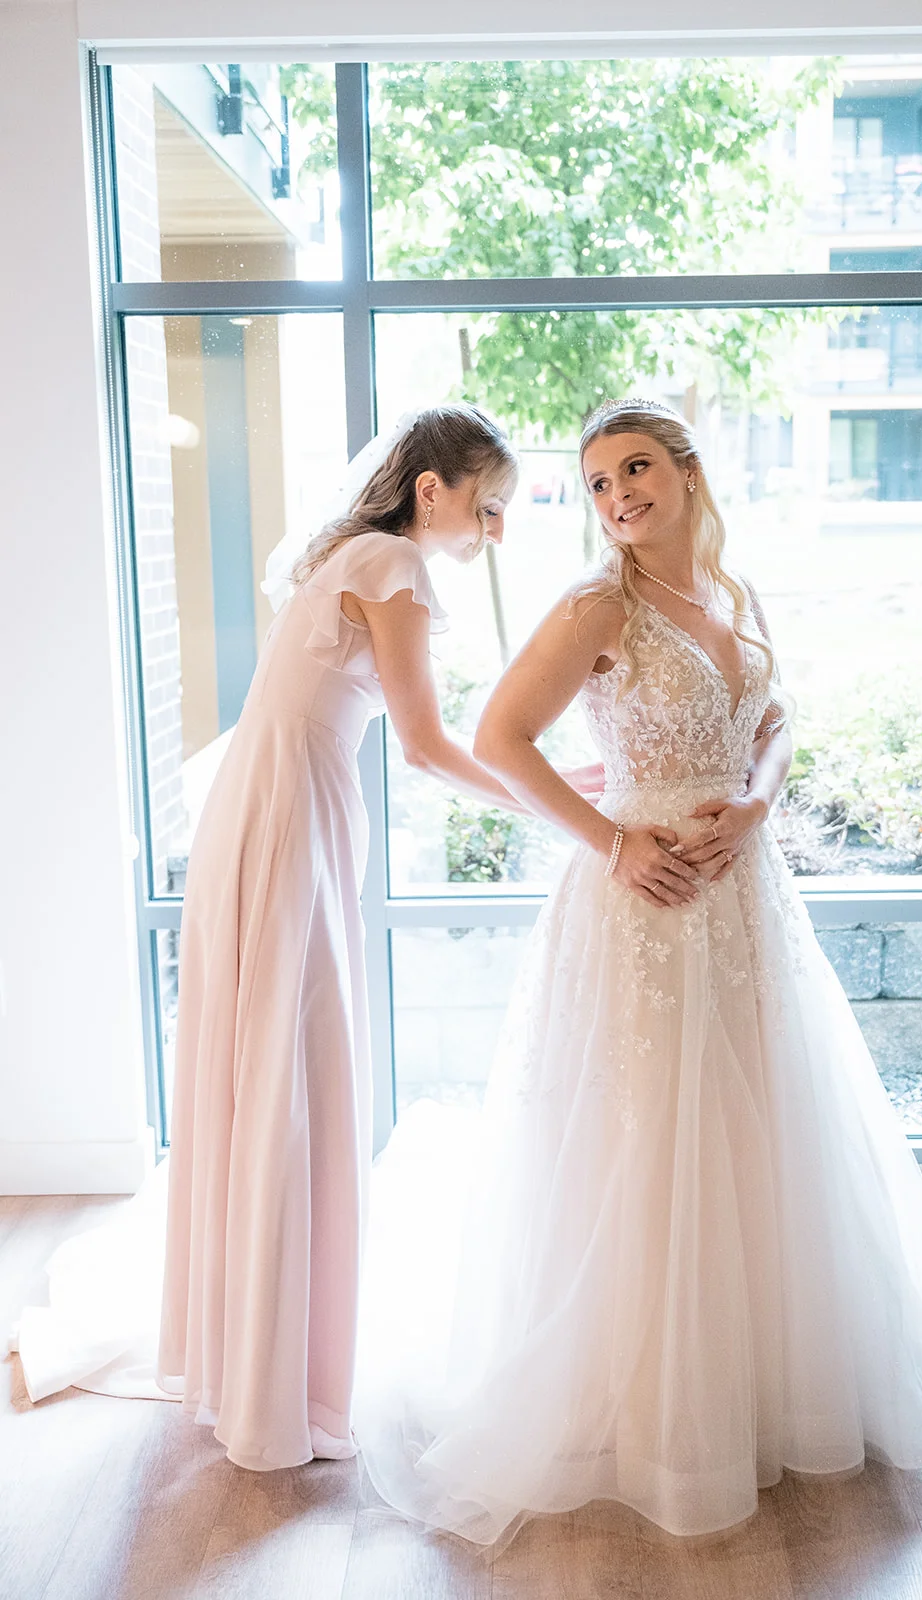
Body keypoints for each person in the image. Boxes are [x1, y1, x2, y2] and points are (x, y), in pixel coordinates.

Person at [353, 398, 922, 1547]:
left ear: (689, 472)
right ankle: (647, 1404)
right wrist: (612, 839)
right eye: (597, 482)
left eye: (636, 468)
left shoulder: (733, 597)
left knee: (760, 1133)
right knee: (644, 1138)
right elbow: (500, 736)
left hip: (746, 899)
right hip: (640, 902)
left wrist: (759, 797)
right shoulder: (594, 604)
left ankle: (764, 1388)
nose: (616, 498)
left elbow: (777, 715)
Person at [16, 405, 567, 1471]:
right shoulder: (392, 566)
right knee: (288, 1074)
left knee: (269, 1065)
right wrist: (543, 803)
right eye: (487, 506)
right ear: (431, 491)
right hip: (288, 819)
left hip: (265, 810)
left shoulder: (348, 553)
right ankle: (273, 1380)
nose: (493, 531)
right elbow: (420, 744)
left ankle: (256, 1353)